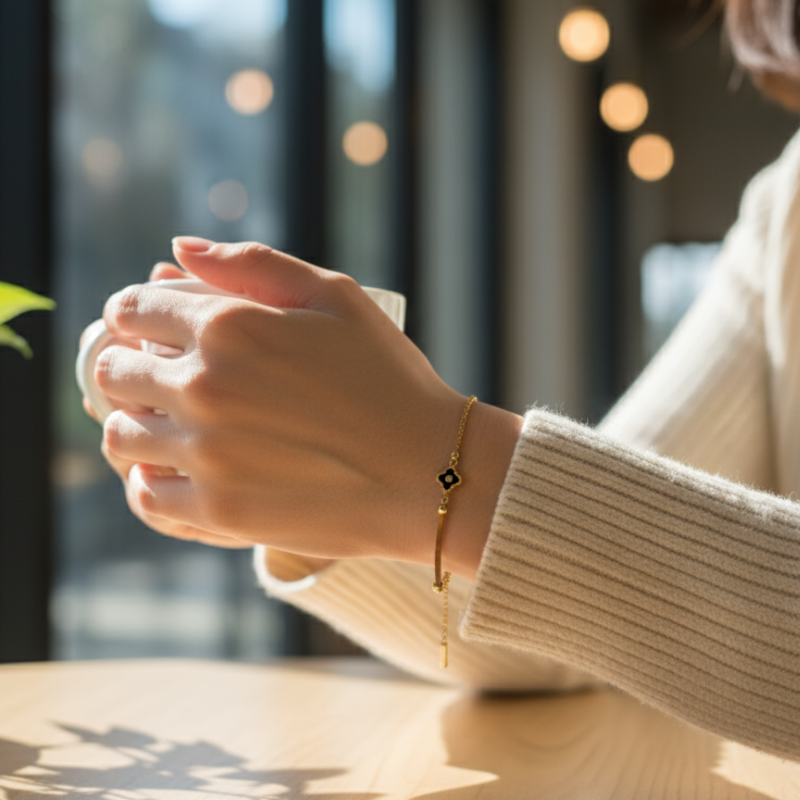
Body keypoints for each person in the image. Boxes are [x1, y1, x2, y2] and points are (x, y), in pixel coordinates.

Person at [82, 0, 800, 760]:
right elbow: (575, 611)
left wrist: (442, 469)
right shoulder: (784, 210)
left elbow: (568, 561)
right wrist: (322, 494)